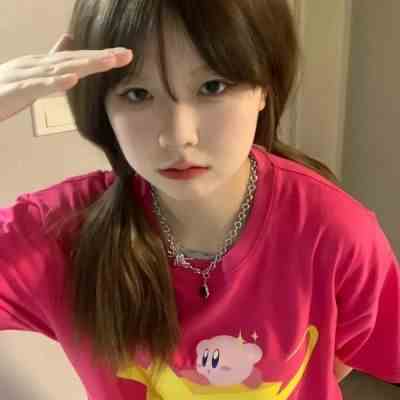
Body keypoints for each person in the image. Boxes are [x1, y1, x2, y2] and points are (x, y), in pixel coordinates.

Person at [0, 0, 399, 399]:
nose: (178, 136)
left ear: (264, 88)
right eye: (137, 94)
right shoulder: (59, 233)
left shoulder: (332, 231)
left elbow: (344, 355)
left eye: (212, 87)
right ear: (103, 106)